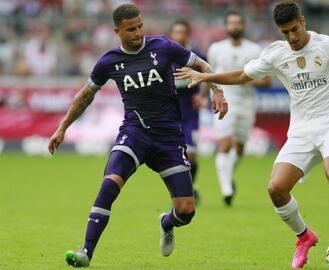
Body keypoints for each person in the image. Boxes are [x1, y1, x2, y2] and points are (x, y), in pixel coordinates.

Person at [175, 1, 329, 268]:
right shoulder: (276, 53)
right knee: (276, 189)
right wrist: (206, 78)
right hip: (301, 130)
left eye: (295, 29)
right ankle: (304, 236)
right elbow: (242, 75)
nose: (292, 37)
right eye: (285, 32)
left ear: (303, 21)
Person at [48, 4, 227, 268]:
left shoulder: (164, 47)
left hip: (168, 140)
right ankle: (85, 251)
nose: (138, 32)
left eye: (140, 26)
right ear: (117, 31)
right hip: (134, 134)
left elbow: (201, 64)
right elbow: (85, 96)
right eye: (131, 29)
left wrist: (217, 90)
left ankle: (167, 222)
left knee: (186, 210)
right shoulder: (108, 61)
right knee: (109, 183)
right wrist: (62, 128)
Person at [206, 11, 271, 206]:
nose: (234, 26)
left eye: (237, 23)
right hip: (223, 100)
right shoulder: (216, 49)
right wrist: (203, 97)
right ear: (226, 26)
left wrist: (245, 81)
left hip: (246, 103)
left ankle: (227, 177)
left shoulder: (254, 49)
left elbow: (266, 81)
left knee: (240, 147)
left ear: (243, 26)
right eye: (231, 23)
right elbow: (208, 75)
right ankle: (226, 189)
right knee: (225, 143)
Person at [169, 20, 207, 205]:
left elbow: (210, 75)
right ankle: (182, 192)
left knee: (191, 156)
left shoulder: (196, 57)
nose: (180, 36)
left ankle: (190, 187)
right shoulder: (164, 58)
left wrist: (204, 96)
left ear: (188, 34)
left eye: (183, 32)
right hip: (170, 115)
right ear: (171, 34)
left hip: (191, 115)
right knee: (176, 156)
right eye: (176, 32)